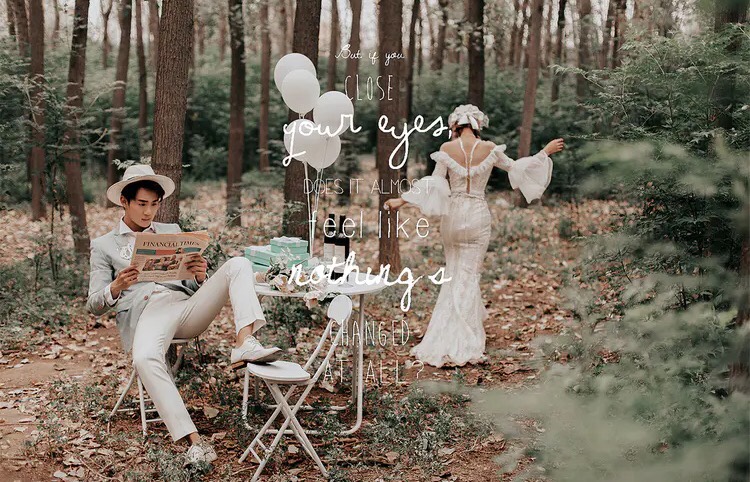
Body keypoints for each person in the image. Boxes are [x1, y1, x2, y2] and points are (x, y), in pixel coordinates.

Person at [87, 164, 282, 465]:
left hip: (185, 306)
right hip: (149, 312)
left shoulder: (171, 231)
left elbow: (189, 283)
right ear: (124, 201)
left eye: (154, 204)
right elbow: (94, 304)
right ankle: (194, 441)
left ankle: (245, 342)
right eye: (142, 203)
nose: (148, 212)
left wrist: (199, 275)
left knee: (239, 264)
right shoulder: (104, 246)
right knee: (144, 359)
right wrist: (116, 286)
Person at [384, 104, 565, 368]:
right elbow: (516, 168)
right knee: (470, 274)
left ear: (455, 126)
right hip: (478, 215)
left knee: (453, 271)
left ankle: (445, 333)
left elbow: (435, 183)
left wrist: (401, 200)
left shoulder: (447, 149)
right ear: (477, 125)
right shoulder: (490, 148)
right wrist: (544, 152)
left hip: (454, 216)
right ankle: (466, 337)